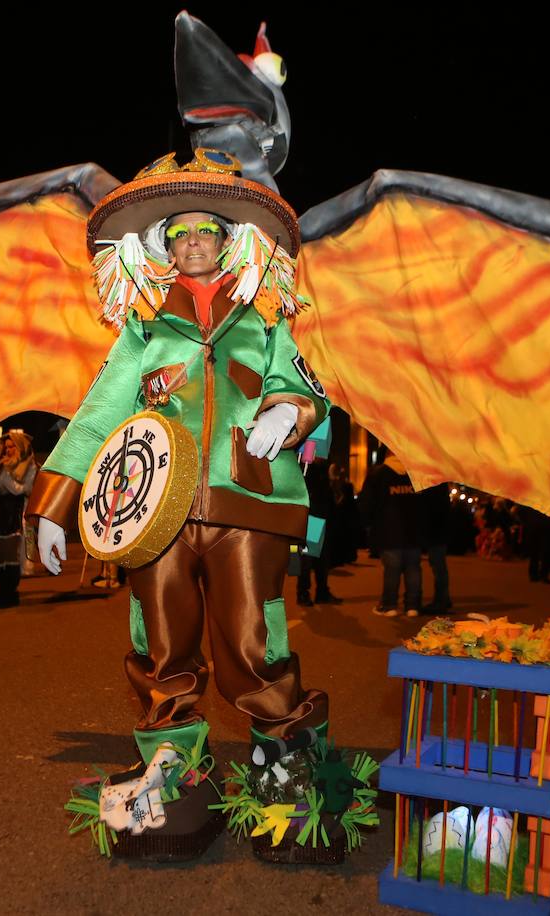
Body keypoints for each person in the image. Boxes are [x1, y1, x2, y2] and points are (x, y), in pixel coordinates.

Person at [28, 152, 332, 857]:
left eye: (205, 232)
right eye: (179, 235)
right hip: (152, 515)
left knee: (256, 641)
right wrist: (52, 502)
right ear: (164, 250)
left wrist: (286, 414)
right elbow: (99, 414)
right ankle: (172, 773)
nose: (193, 243)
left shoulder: (266, 326)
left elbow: (307, 389)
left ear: (228, 243)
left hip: (248, 507)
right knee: (160, 643)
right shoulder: (142, 334)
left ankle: (285, 764)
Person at [360, 444, 424, 617]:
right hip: (413, 530)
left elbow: (367, 504)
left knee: (392, 570)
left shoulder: (378, 474)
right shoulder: (416, 474)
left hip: (388, 530)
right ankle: (413, 606)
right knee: (413, 568)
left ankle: (390, 606)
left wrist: (366, 524)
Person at [0, 430, 35, 608]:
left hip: (16, 513)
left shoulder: (29, 465)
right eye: (5, 447)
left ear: (20, 446)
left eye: (11, 446)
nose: (7, 450)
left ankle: (10, 593)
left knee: (11, 555)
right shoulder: (3, 465)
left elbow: (24, 489)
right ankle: (2, 590)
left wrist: (5, 478)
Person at [296, 460, 340, 606]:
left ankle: (318, 592)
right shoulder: (309, 467)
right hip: (313, 516)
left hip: (316, 515)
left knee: (318, 558)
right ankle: (306, 593)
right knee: (308, 559)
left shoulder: (315, 467)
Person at [418, 482, 453, 613]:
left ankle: (441, 601)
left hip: (436, 533)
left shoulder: (433, 487)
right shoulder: (440, 486)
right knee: (439, 567)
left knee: (439, 567)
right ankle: (443, 598)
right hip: (439, 532)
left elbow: (431, 511)